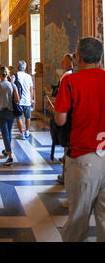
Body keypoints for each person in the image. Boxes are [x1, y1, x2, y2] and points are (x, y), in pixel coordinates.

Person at [54, 37, 105, 242]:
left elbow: (60, 119)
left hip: (84, 157)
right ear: (100, 57)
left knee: (78, 219)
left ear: (78, 56)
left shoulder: (70, 80)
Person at [0, 67, 19, 166]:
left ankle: (10, 157)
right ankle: (7, 150)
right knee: (8, 133)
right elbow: (18, 100)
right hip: (11, 113)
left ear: (0, 75)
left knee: (5, 135)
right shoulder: (12, 85)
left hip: (1, 112)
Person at [57, 53, 73, 185]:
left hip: (68, 121)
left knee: (67, 150)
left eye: (64, 61)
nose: (62, 63)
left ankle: (65, 177)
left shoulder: (66, 78)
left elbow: (61, 115)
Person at [15, 60, 34, 139]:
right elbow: (31, 89)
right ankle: (27, 131)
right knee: (27, 116)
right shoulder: (29, 76)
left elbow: (13, 88)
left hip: (18, 100)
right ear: (25, 68)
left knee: (19, 116)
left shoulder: (15, 75)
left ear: (18, 67)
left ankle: (21, 133)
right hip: (27, 100)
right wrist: (31, 98)